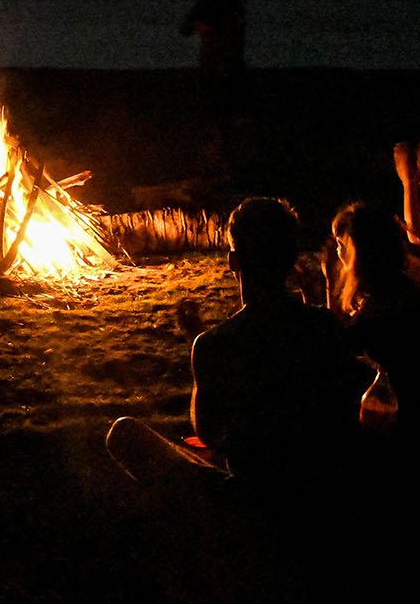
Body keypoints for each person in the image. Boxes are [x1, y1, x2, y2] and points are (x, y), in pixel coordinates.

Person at [106, 197, 366, 495]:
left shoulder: (215, 344)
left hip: (254, 499)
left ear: (233, 261)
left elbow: (209, 432)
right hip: (326, 489)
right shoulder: (324, 326)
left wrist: (197, 343)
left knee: (124, 433)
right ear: (291, 258)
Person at [329, 201, 420, 454]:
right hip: (418, 408)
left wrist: (327, 285)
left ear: (359, 252)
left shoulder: (385, 303)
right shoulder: (401, 288)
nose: (338, 254)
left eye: (341, 246)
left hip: (400, 419)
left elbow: (339, 344)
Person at [180, 0, 249, 142]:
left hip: (232, 56)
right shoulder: (210, 2)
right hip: (214, 55)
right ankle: (217, 130)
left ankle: (229, 123)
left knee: (230, 89)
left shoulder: (236, 2)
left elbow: (236, 27)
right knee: (216, 92)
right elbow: (186, 28)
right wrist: (203, 27)